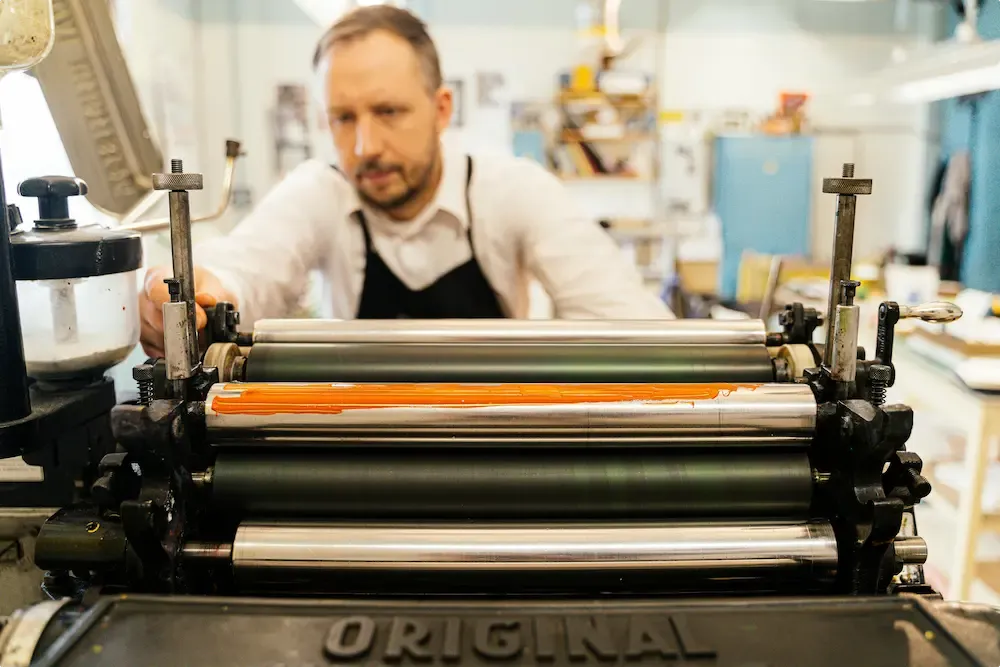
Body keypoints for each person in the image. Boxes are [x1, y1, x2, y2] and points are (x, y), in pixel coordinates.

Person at [139, 5, 671, 357]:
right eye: (343, 118)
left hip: (501, 446)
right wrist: (195, 293)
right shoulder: (322, 192)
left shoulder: (513, 191)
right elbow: (249, 267)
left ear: (441, 110)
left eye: (389, 111)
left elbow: (631, 328)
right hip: (369, 453)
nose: (365, 146)